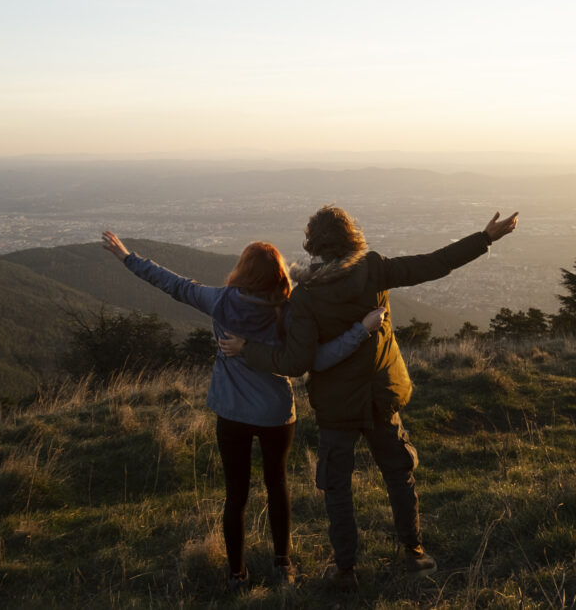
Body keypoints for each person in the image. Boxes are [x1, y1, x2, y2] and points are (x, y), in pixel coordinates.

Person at [218, 206, 518, 588]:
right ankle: (414, 553)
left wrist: (245, 349)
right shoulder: (373, 269)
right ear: (351, 237)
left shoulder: (306, 297)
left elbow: (295, 362)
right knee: (398, 473)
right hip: (380, 396)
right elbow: (433, 264)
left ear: (313, 244)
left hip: (336, 406)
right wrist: (485, 238)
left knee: (337, 487)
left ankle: (345, 570)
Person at [101, 231, 385, 592]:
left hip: (231, 413)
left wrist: (127, 257)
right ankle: (283, 565)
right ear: (278, 275)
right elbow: (317, 359)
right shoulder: (291, 310)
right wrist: (361, 330)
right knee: (277, 486)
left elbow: (171, 283)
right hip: (275, 415)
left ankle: (237, 573)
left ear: (243, 272)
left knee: (236, 494)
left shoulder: (220, 302)